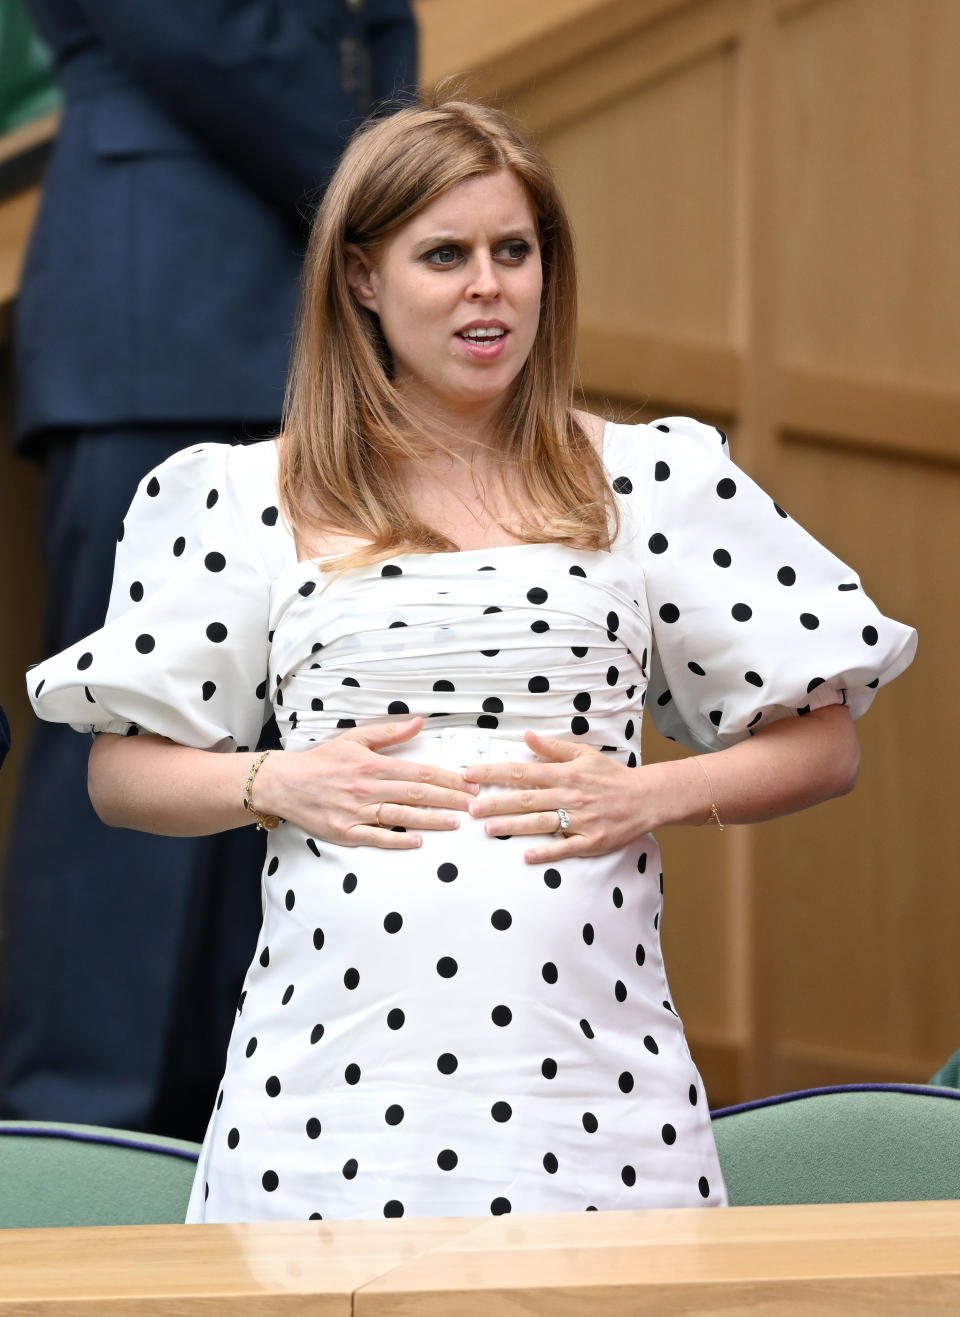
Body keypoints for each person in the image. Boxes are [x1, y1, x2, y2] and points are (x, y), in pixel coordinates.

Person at [27, 97, 916, 1221]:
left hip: (593, 1088)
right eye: (443, 255)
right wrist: (275, 779)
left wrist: (652, 791)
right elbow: (122, 774)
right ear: (361, 276)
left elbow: (823, 743)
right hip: (320, 1103)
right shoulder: (242, 494)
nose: (487, 286)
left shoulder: (655, 479)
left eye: (515, 251)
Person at [3, 0, 417, 1140]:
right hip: (161, 326)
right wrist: (394, 186)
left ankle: (226, 1122)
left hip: (316, 349)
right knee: (129, 739)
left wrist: (393, 182)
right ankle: (75, 1142)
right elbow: (201, 33)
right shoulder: (362, 177)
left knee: (298, 744)